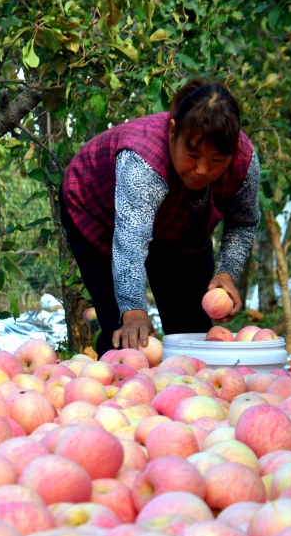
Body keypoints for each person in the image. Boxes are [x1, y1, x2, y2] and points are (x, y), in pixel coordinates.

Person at [59, 79, 260, 355]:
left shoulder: (244, 163)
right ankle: (116, 386)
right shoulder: (143, 161)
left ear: (233, 150)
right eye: (192, 154)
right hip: (96, 212)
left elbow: (244, 220)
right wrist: (133, 311)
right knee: (125, 336)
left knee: (193, 333)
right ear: (172, 131)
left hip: (177, 226)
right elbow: (130, 243)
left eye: (216, 162)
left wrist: (227, 272)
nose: (202, 169)